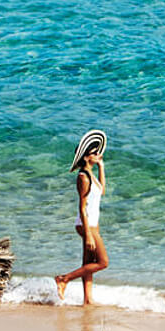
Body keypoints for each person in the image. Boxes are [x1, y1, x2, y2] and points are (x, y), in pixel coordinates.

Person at [55, 129, 108, 305]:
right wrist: (89, 234)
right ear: (86, 157)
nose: (98, 154)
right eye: (94, 153)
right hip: (86, 225)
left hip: (93, 225)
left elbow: (102, 190)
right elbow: (82, 207)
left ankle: (87, 299)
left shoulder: (92, 174)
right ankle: (64, 279)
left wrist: (101, 166)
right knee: (103, 262)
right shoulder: (83, 178)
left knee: (88, 263)